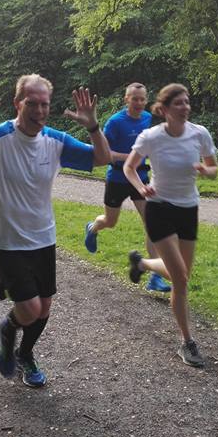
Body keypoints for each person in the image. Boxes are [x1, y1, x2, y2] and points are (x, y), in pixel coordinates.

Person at [0, 76, 111, 388]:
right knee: (30, 309)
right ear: (18, 103)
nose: (40, 110)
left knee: (44, 307)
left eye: (45, 104)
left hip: (44, 237)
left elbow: (102, 158)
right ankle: (8, 328)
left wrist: (93, 127)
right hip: (7, 241)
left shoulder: (56, 141)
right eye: (32, 103)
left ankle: (25, 354)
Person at [122, 83, 218, 368]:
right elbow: (129, 167)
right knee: (181, 279)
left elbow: (214, 170)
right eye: (179, 103)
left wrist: (206, 170)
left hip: (188, 209)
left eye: (187, 102)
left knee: (183, 273)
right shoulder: (151, 136)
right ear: (164, 109)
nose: (185, 107)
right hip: (159, 208)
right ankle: (187, 342)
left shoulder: (199, 133)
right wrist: (141, 188)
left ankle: (142, 264)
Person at [82, 82, 170, 292]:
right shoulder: (115, 122)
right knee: (110, 221)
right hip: (117, 178)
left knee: (152, 224)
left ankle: (155, 276)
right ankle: (93, 227)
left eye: (142, 99)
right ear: (126, 99)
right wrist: (131, 157)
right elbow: (103, 152)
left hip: (141, 179)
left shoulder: (148, 119)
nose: (139, 102)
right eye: (134, 99)